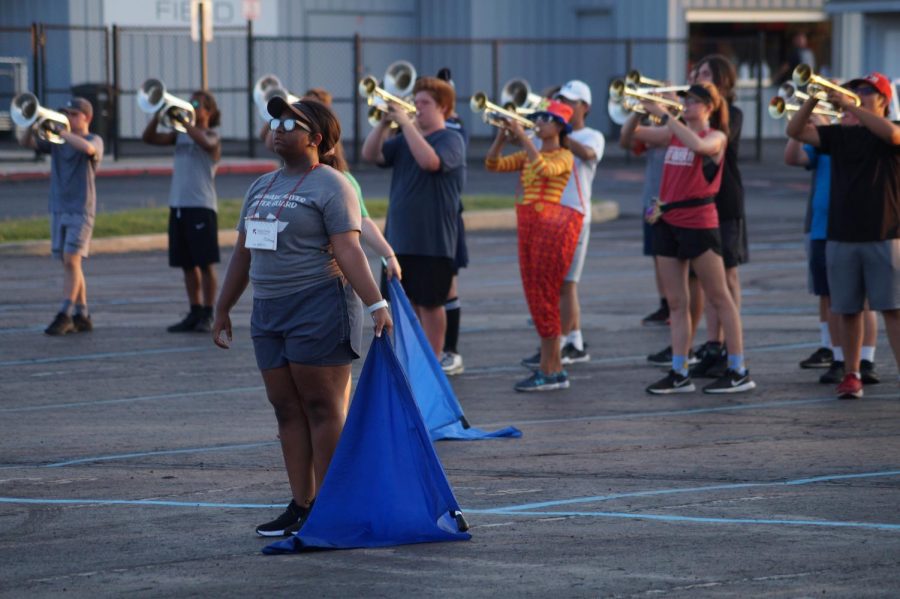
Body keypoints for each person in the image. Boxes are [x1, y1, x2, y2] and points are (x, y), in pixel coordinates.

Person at [213, 97, 392, 536]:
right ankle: (302, 504)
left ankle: (333, 507)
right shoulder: (261, 186)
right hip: (269, 309)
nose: (278, 128)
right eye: (275, 121)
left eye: (290, 123)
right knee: (286, 409)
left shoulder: (334, 185)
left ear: (315, 139)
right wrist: (222, 308)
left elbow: (349, 250)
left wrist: (376, 303)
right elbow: (242, 254)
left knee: (322, 407)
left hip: (319, 305)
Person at [624, 83, 755, 394]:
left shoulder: (717, 136)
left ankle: (738, 369)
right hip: (667, 219)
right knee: (676, 302)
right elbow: (628, 139)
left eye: (695, 101)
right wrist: (637, 112)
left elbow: (699, 147)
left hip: (699, 221)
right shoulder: (673, 132)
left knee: (719, 296)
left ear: (709, 107)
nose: (688, 105)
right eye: (686, 100)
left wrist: (667, 116)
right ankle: (679, 371)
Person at [786, 72, 900, 399]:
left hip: (885, 232)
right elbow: (794, 131)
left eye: (866, 90)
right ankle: (851, 373)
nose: (857, 94)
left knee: (893, 309)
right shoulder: (839, 135)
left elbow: (892, 135)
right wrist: (813, 99)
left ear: (884, 100)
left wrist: (855, 108)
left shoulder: (890, 128)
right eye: (854, 90)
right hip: (841, 233)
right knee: (847, 308)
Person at [361, 76, 465, 359]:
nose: (417, 107)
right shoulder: (405, 138)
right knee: (404, 306)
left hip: (433, 242)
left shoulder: (451, 139)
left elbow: (430, 162)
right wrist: (384, 123)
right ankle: (412, 361)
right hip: (398, 241)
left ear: (443, 107)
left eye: (425, 103)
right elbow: (370, 154)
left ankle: (434, 359)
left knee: (431, 305)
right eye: (415, 101)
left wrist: (406, 124)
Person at [485, 100, 579, 392]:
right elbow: (493, 164)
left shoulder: (565, 154)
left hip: (550, 230)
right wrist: (502, 134)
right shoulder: (530, 152)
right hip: (530, 227)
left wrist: (524, 137)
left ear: (560, 126)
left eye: (546, 119)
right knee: (535, 295)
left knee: (546, 295)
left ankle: (549, 369)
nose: (539, 122)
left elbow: (545, 169)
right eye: (537, 117)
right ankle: (554, 370)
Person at [784, 122, 880, 386]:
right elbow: (793, 158)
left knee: (863, 301)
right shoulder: (828, 138)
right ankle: (839, 358)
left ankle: (866, 359)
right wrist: (800, 127)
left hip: (855, 227)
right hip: (821, 227)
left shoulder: (869, 137)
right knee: (831, 298)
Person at [521, 80, 605, 367]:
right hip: (547, 218)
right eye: (560, 100)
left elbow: (589, 155)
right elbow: (522, 148)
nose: (565, 104)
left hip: (575, 216)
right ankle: (564, 343)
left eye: (570, 101)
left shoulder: (593, 135)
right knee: (549, 285)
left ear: (585, 107)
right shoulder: (547, 135)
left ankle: (566, 344)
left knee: (566, 284)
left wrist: (560, 128)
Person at [685, 55, 750, 380]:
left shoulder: (732, 114)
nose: (699, 76)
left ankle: (729, 347)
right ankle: (713, 344)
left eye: (706, 73)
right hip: (700, 200)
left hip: (726, 200)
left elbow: (713, 139)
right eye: (697, 72)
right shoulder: (690, 114)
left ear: (723, 79)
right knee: (710, 281)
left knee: (728, 276)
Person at [18, 97, 103, 335]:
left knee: (71, 261)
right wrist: (32, 124)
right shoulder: (57, 141)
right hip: (59, 207)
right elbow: (27, 143)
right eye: (65, 113)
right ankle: (82, 314)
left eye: (74, 114)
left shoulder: (92, 139)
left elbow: (89, 150)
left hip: (81, 209)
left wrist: (62, 132)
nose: (68, 117)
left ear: (87, 117)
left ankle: (65, 313)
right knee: (69, 264)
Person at [142, 90, 222, 332]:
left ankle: (209, 313)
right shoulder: (180, 136)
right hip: (179, 205)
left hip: (202, 206)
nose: (191, 106)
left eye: (197, 103)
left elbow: (206, 143)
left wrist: (186, 123)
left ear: (208, 111)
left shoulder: (211, 136)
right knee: (187, 263)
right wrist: (159, 114)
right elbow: (148, 138)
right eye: (190, 103)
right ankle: (194, 310)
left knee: (205, 263)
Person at [436, 67, 469, 376]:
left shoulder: (453, 127)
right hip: (417, 218)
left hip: (446, 216)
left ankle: (451, 351)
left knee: (446, 285)